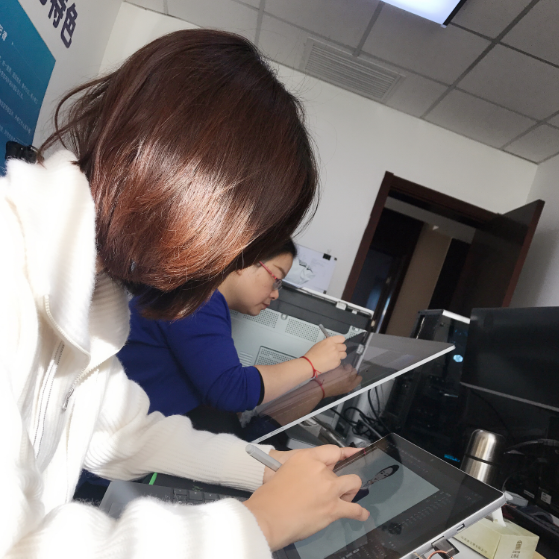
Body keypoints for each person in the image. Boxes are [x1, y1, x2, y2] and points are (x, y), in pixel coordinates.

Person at [1, 29, 369, 559]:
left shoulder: (97, 290)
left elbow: (124, 434)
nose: (227, 265)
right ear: (190, 187)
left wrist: (269, 467)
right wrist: (259, 525)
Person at [117, 238, 348, 435]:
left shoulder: (200, 295)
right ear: (246, 259)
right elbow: (232, 390)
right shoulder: (198, 299)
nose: (276, 293)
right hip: (120, 437)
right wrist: (311, 363)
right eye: (276, 278)